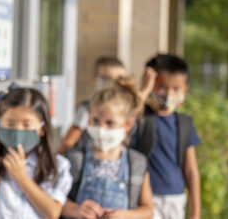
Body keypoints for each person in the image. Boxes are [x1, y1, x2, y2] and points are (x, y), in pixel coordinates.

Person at [62, 77, 154, 219]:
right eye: (95, 121)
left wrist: (127, 216)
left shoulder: (137, 163)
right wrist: (75, 209)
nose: (101, 128)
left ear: (128, 124)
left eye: (110, 123)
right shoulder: (74, 158)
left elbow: (148, 210)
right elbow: (53, 201)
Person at [0, 86, 73, 219]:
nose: (18, 132)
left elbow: (53, 212)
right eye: (10, 124)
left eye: (26, 125)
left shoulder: (56, 166)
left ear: (42, 128)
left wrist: (21, 177)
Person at [130, 54, 200, 219]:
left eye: (176, 89)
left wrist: (195, 213)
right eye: (161, 87)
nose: (168, 94)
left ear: (185, 90)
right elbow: (124, 118)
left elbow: (191, 170)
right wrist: (143, 91)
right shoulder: (139, 118)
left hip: (175, 199)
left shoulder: (184, 124)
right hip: (142, 199)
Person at [59, 56, 127, 154]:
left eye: (120, 80)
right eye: (107, 79)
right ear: (95, 79)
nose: (114, 84)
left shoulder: (125, 105)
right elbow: (68, 142)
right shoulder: (87, 107)